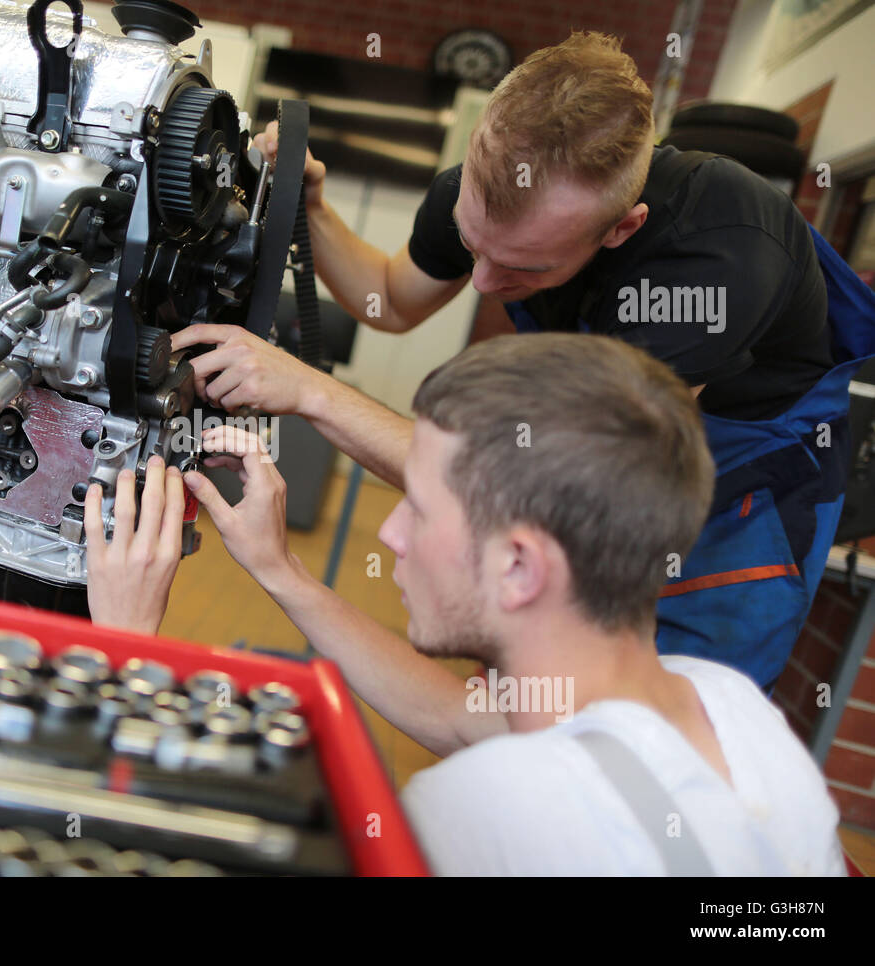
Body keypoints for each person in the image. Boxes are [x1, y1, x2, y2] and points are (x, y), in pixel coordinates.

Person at [168, 31, 875, 693]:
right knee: (530, 703)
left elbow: (537, 481)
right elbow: (388, 298)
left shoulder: (716, 258)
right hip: (593, 472)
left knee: (661, 727)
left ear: (621, 228)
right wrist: (311, 209)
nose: (481, 284)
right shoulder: (490, 186)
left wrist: (310, 391)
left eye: (522, 267)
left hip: (740, 512)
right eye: (474, 248)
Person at [85, 332, 846, 875]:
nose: (390, 533)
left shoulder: (488, 815)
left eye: (417, 506)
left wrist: (125, 653)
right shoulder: (727, 705)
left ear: (518, 566)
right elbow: (457, 716)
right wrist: (281, 571)